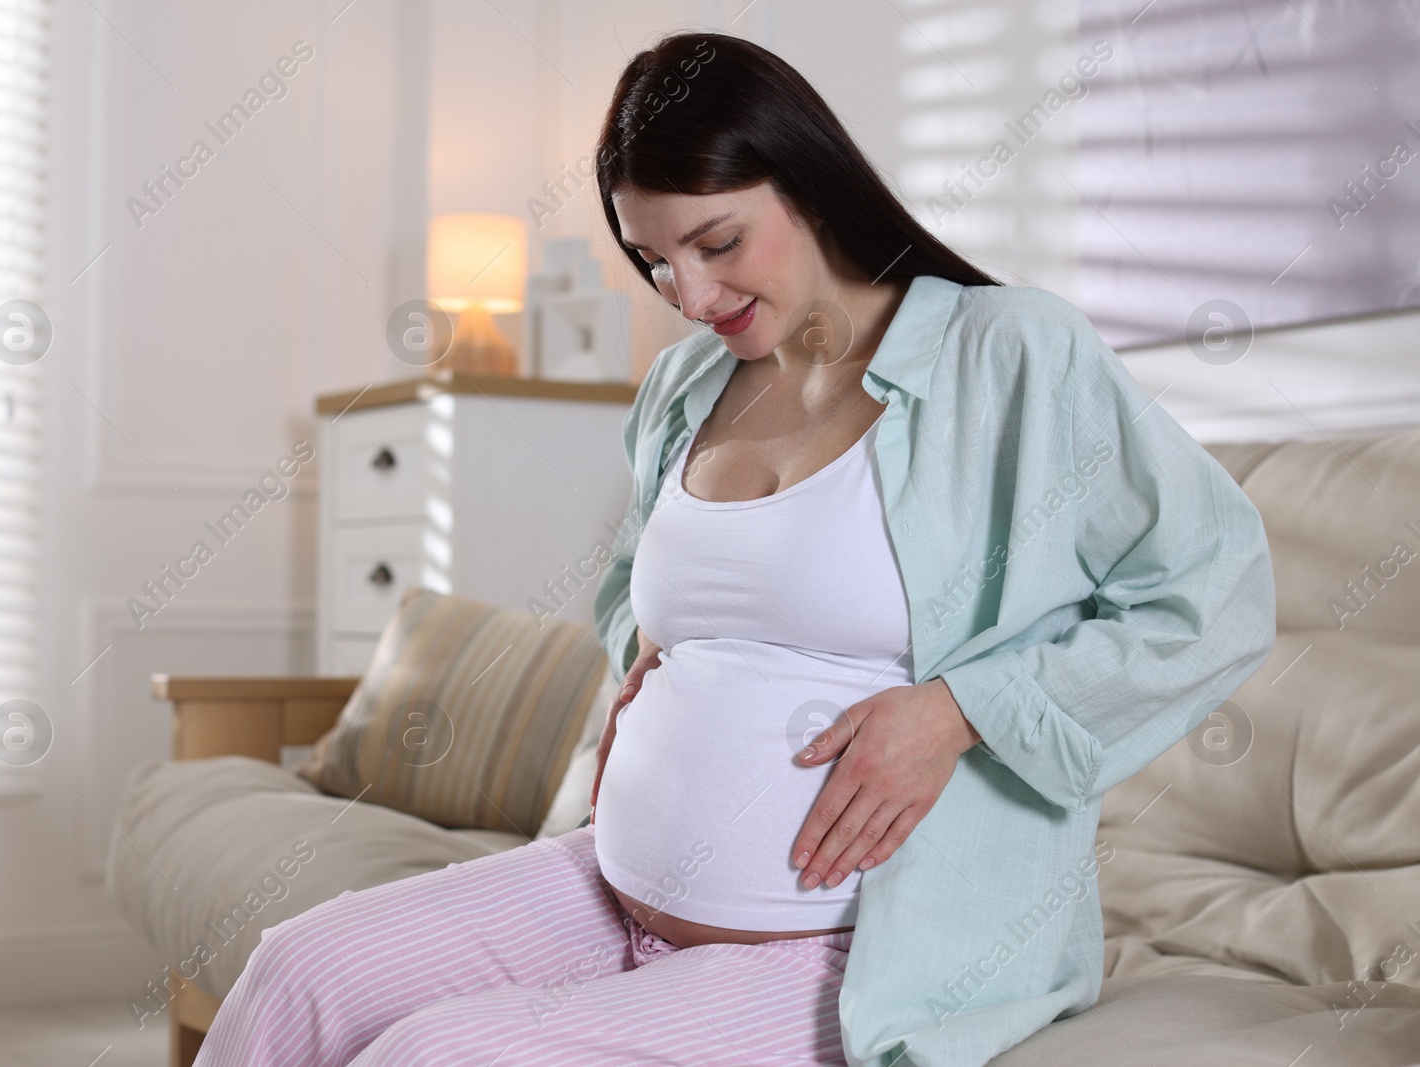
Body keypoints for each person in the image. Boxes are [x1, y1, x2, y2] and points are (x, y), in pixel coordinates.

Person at [193, 30, 1276, 1067]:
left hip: (862, 941)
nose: (692, 296)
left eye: (716, 243)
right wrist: (646, 669)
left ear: (807, 182)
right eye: (655, 262)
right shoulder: (685, 385)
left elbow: (1209, 591)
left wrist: (958, 709)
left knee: (441, 1051)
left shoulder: (1007, 356)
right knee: (300, 969)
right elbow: (635, 589)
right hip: (614, 879)